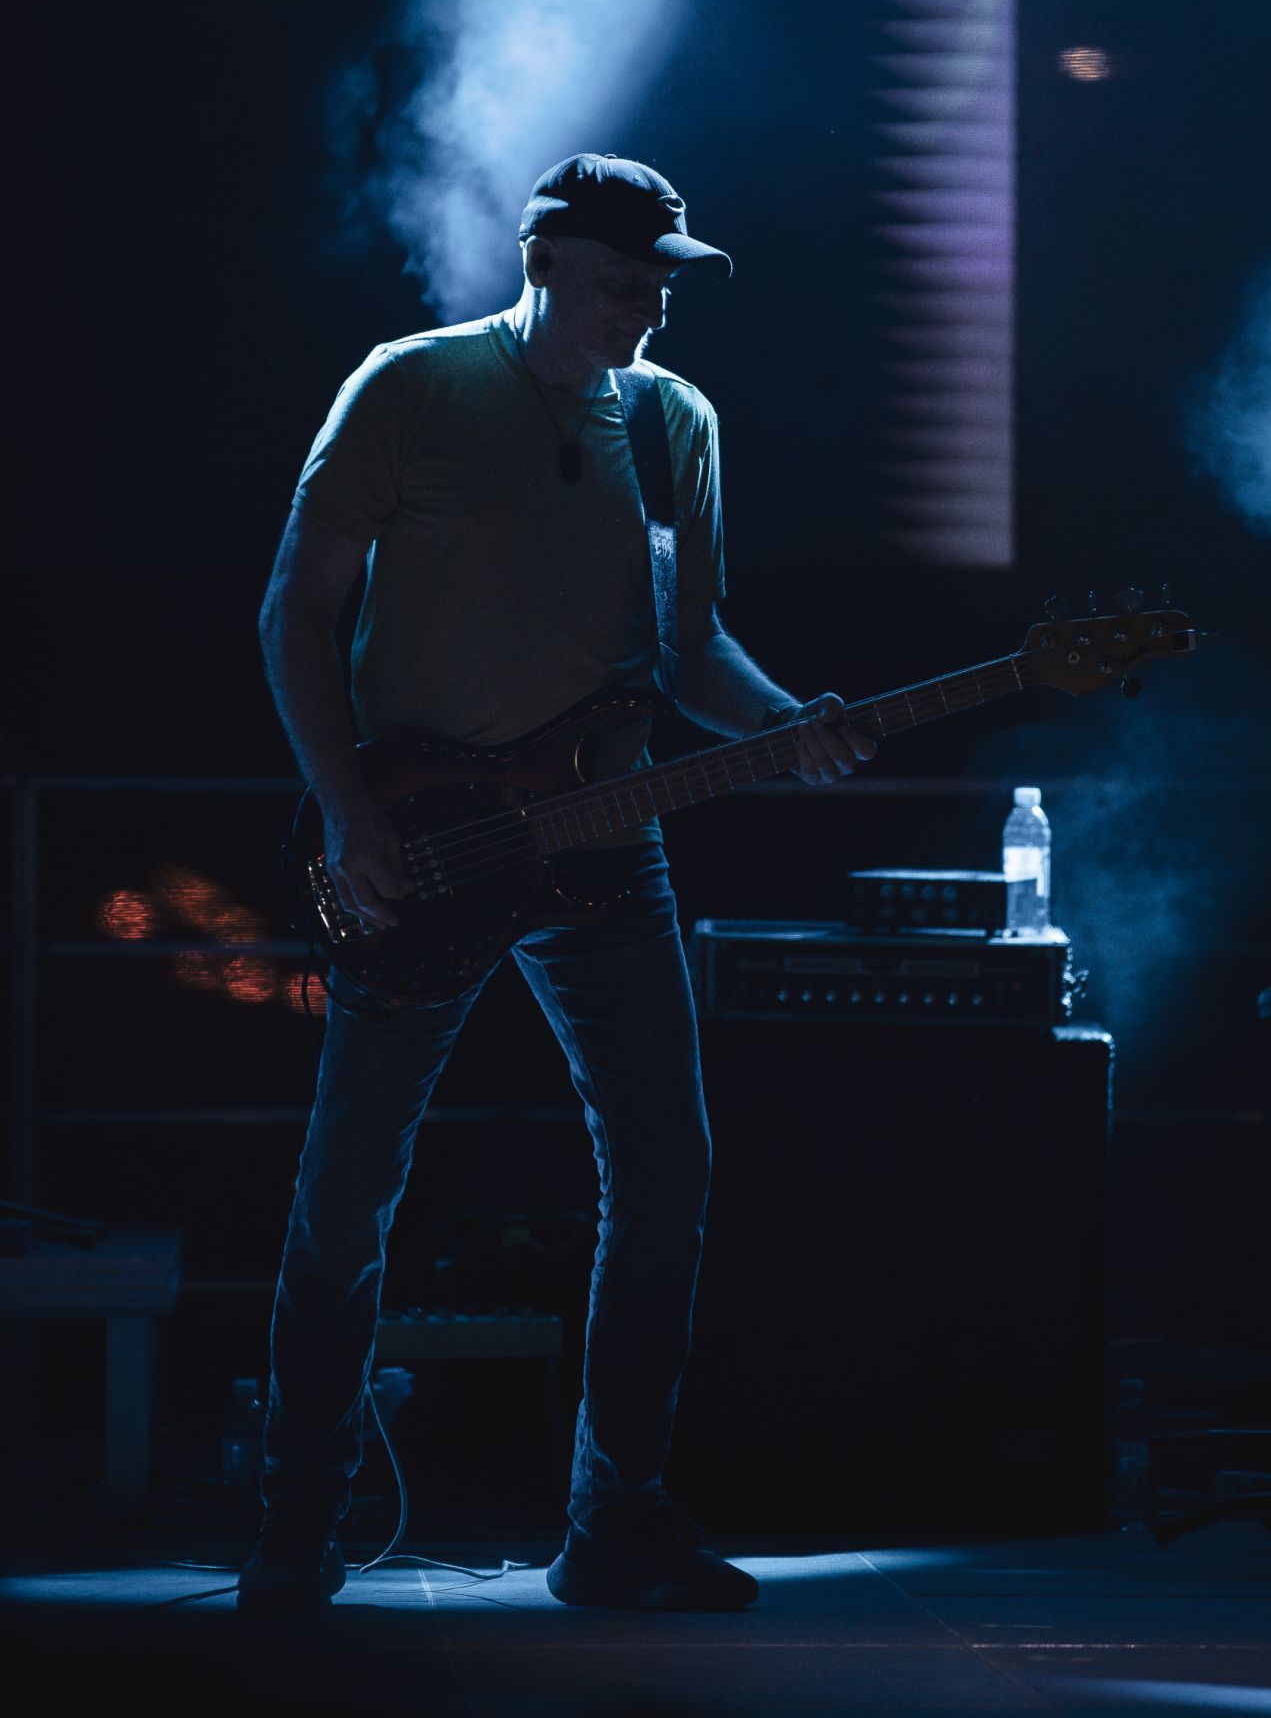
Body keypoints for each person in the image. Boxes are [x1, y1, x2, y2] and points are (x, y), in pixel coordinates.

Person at [239, 153, 875, 1617]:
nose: (647, 305)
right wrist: (348, 814)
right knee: (348, 1192)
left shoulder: (674, 422)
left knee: (666, 1171)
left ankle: (615, 1520)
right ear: (541, 261)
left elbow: (693, 649)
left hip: (605, 838)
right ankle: (296, 1519)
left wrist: (789, 726)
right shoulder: (411, 385)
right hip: (419, 837)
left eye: (663, 283)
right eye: (620, 278)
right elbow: (296, 609)